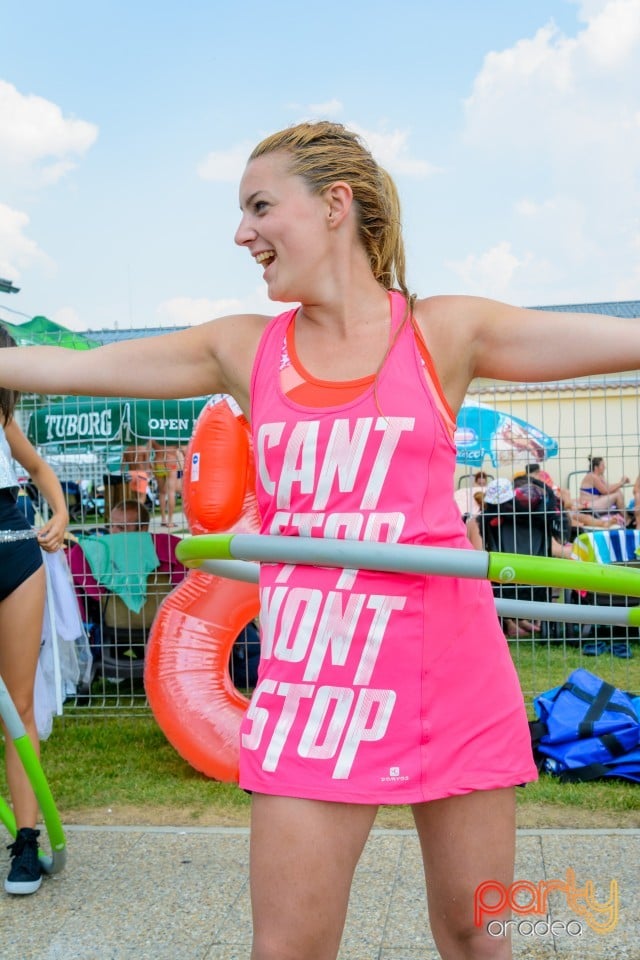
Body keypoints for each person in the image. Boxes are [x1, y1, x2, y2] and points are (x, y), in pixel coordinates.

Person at [2, 120, 640, 956]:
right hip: (315, 692)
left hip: (449, 679)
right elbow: (52, 368)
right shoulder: (243, 349)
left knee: (479, 934)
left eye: (261, 206)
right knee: (288, 948)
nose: (242, 233)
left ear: (336, 204)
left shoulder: (443, 332)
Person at [0, 325, 69, 895]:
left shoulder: (3, 423)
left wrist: (62, 514)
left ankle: (26, 842)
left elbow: (42, 470)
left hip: (16, 556)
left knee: (17, 705)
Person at [67, 498, 186, 625]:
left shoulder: (87, 552)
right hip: (166, 622)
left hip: (115, 623)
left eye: (121, 527)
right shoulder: (172, 547)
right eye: (111, 525)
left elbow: (95, 596)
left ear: (143, 529)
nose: (113, 531)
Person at [147, 441, 183, 527]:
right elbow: (182, 449)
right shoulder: (172, 434)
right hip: (171, 463)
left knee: (162, 492)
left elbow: (147, 451)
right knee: (171, 492)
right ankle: (170, 521)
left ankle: (163, 519)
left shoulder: (154, 435)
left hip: (158, 463)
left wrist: (150, 464)